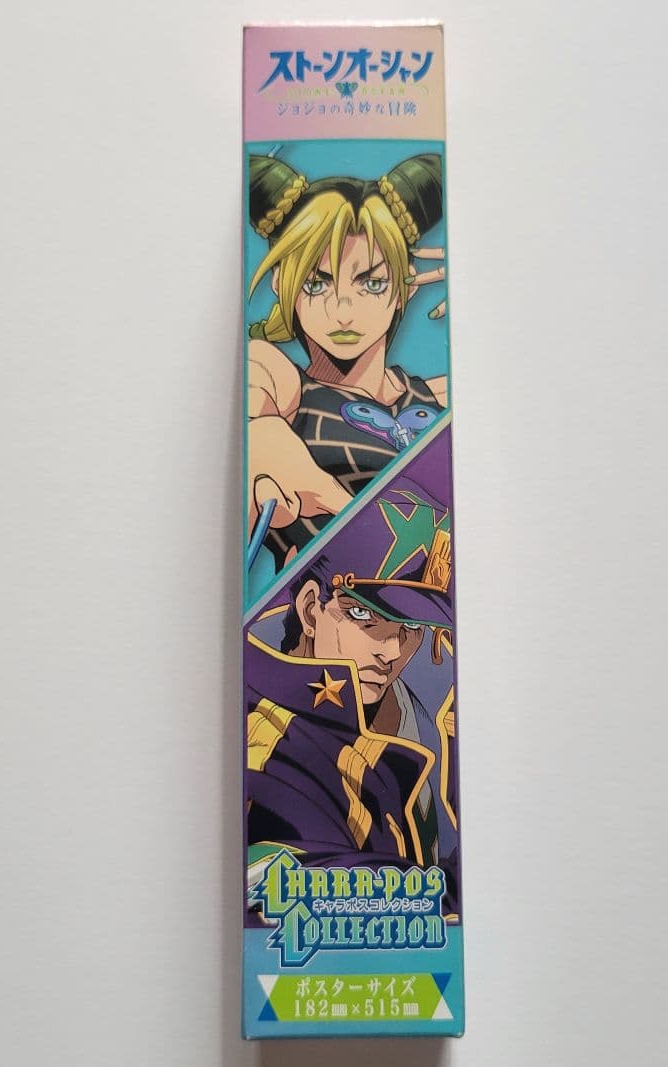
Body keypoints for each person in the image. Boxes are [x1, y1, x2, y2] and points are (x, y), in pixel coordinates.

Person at [245, 481, 459, 913]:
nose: (392, 651)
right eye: (365, 615)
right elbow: (282, 889)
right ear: (310, 609)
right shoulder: (265, 739)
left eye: (411, 627)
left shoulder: (431, 714)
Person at [247, 151, 448, 571]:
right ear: (281, 283)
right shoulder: (279, 381)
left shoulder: (440, 398)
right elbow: (260, 433)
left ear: (407, 286)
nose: (342, 312)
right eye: (316, 284)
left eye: (371, 283)